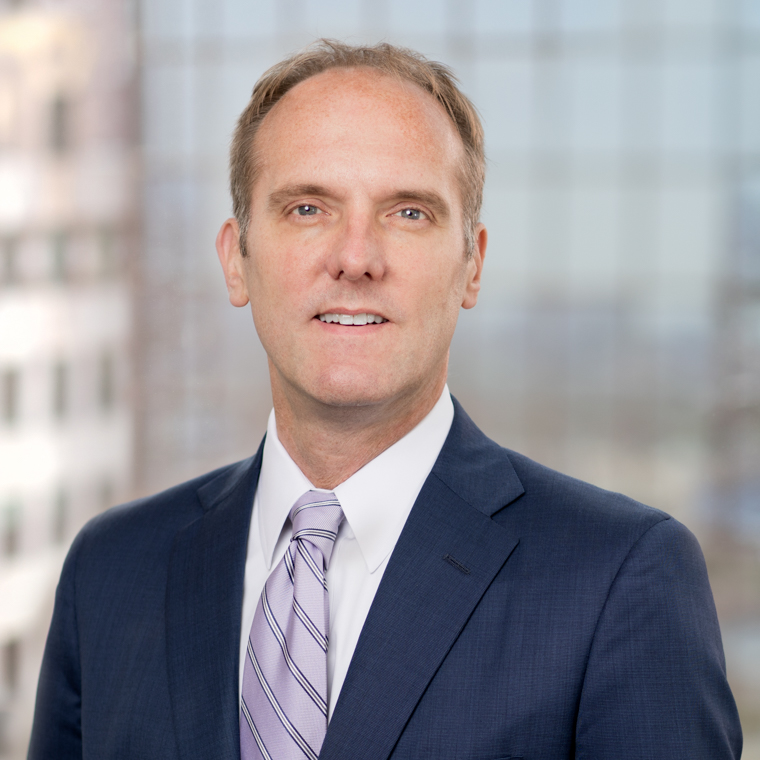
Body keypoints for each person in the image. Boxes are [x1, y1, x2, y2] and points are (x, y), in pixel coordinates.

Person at [28, 40, 741, 760]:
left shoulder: (620, 580)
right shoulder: (111, 571)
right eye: (308, 208)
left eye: (408, 213)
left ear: (472, 264)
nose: (356, 257)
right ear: (236, 259)